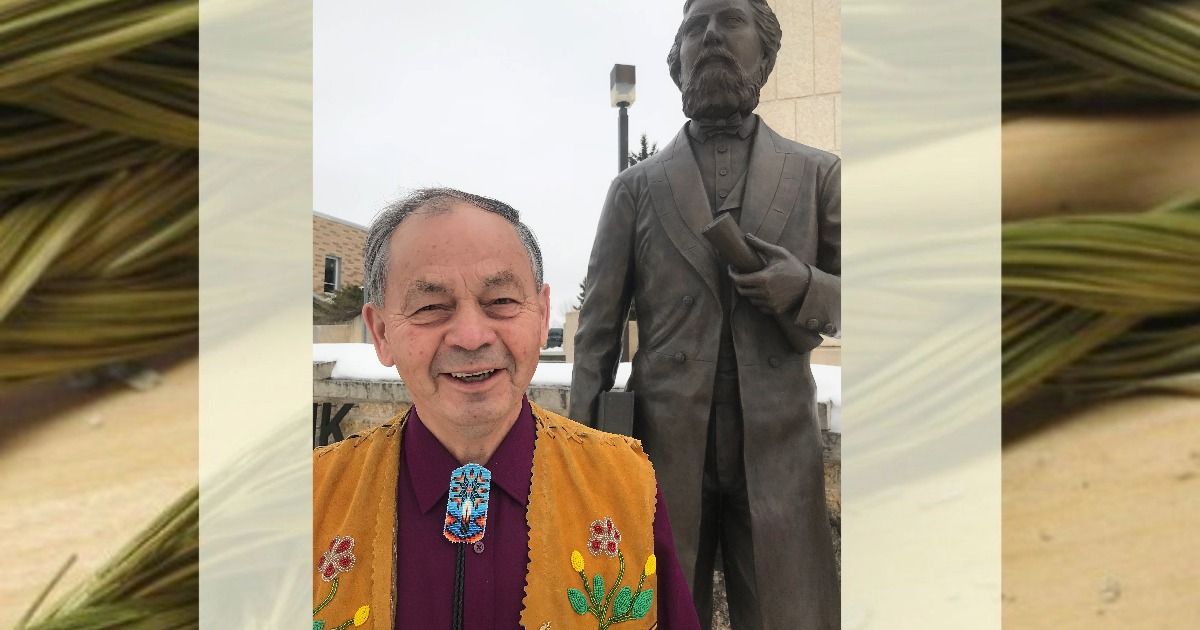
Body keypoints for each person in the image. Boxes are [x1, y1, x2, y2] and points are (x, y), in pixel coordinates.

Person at [312, 188, 701, 630]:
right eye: (430, 307)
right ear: (381, 333)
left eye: (500, 302)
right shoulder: (312, 497)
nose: (472, 336)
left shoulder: (625, 482)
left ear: (540, 315)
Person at [569, 0, 840, 628]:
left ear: (767, 54)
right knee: (657, 608)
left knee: (786, 612)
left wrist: (801, 285)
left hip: (776, 443)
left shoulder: (818, 174)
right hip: (664, 445)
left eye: (729, 20)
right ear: (677, 63)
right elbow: (599, 332)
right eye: (695, 27)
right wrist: (579, 450)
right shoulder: (634, 189)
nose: (711, 36)